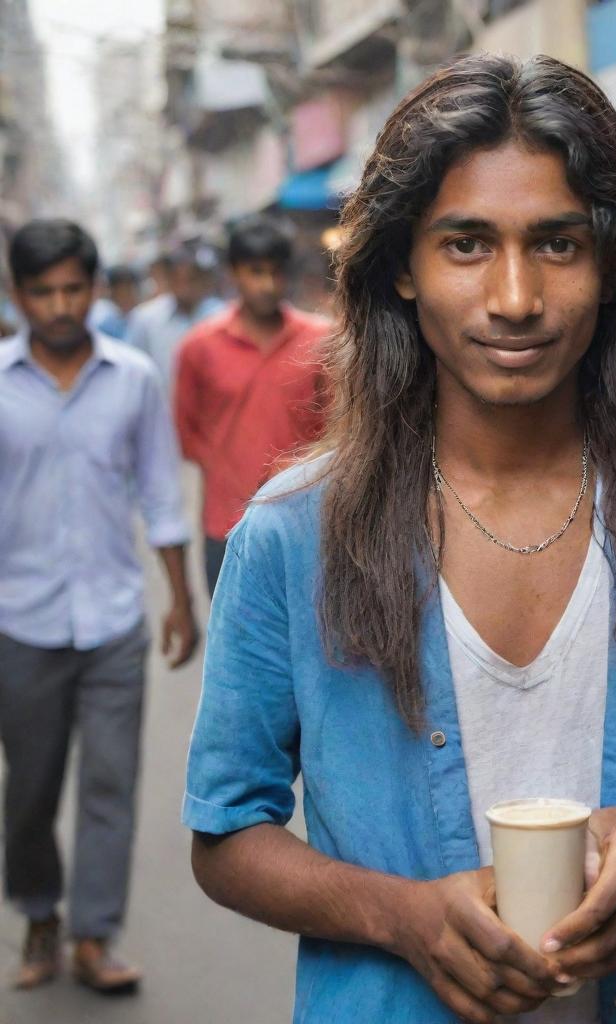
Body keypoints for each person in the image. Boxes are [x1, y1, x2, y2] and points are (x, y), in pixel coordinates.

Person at [183, 54, 616, 1024]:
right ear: (403, 270)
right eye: (465, 244)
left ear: (614, 264)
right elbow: (226, 831)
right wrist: (401, 916)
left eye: (556, 244)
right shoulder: (295, 532)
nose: (513, 297)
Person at [0, 219, 197, 993]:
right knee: (31, 788)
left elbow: (159, 492)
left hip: (114, 618)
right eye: (42, 291)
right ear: (18, 296)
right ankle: (40, 912)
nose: (59, 305)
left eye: (73, 288)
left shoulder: (133, 380)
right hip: (20, 621)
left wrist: (180, 599)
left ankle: (92, 934)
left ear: (92, 287)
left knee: (111, 781)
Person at [174, 214, 330, 595]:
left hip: (308, 525)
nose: (267, 284)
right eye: (255, 272)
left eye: (276, 272)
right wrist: (232, 468)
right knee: (238, 648)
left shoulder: (323, 341)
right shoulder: (199, 347)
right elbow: (187, 433)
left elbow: (340, 431)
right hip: (226, 526)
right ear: (233, 273)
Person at [124, 244, 224, 391]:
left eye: (191, 279)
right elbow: (133, 368)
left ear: (203, 280)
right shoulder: (145, 319)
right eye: (179, 280)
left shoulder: (221, 315)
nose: (185, 287)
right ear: (169, 280)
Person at [88, 264, 140, 340]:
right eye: (122, 291)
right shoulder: (104, 319)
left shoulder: (138, 315)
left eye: (130, 290)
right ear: (112, 291)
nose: (127, 296)